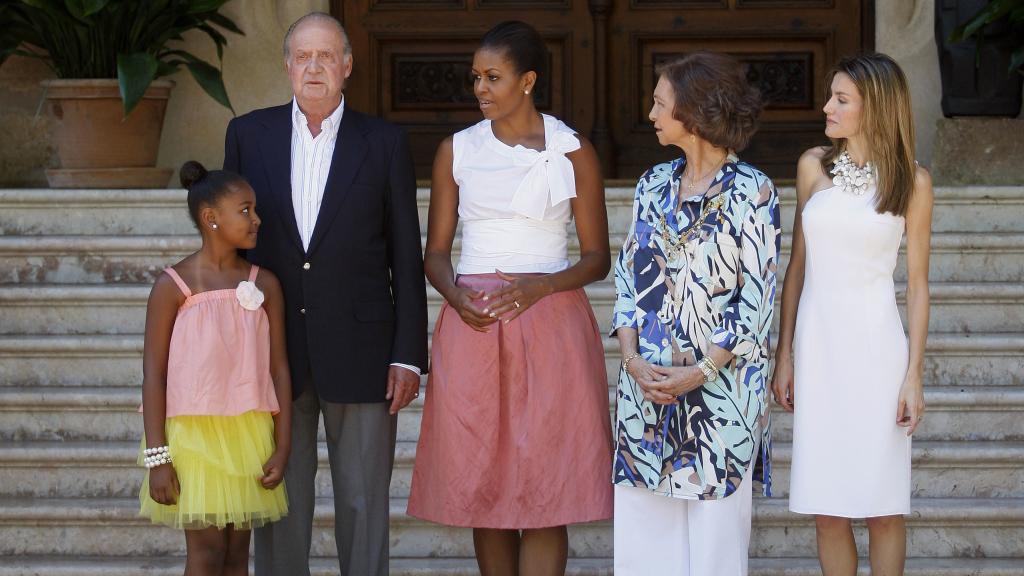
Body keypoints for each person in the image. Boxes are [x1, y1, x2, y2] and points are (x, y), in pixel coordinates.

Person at [222, 12, 428, 576]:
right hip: (272, 352)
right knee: (278, 503)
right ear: (287, 66)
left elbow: (405, 258)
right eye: (303, 57)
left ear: (347, 67)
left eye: (326, 56)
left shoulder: (384, 143)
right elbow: (230, 253)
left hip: (362, 350)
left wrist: (408, 353)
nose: (314, 67)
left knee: (364, 505)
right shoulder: (247, 134)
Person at [407, 20, 614, 576]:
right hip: (474, 324)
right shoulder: (456, 150)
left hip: (551, 319)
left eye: (492, 77)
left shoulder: (573, 151)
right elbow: (435, 253)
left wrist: (542, 285)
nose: (480, 88)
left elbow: (599, 258)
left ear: (527, 81)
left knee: (548, 484)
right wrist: (457, 297)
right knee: (484, 482)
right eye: (475, 77)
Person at [611, 52, 778, 576]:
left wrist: (699, 372)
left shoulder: (754, 190)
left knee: (715, 548)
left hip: (722, 394)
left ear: (696, 111)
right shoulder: (651, 184)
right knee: (644, 541)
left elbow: (756, 297)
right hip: (648, 389)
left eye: (661, 103)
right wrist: (632, 360)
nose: (652, 112)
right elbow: (627, 278)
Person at [772, 52, 932, 576]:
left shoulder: (912, 181)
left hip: (877, 353)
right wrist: (784, 354)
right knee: (828, 509)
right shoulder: (813, 166)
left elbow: (917, 286)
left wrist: (913, 376)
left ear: (876, 107)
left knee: (884, 509)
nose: (827, 107)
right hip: (819, 352)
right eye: (830, 96)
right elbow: (796, 268)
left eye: (841, 99)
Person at [139, 160, 291, 575]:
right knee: (206, 554)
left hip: (248, 435)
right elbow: (155, 374)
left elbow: (279, 370)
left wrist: (283, 444)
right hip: (194, 441)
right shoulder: (174, 285)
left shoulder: (266, 284)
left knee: (237, 556)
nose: (257, 219)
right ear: (211, 219)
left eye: (254, 209)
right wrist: (158, 458)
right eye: (245, 210)